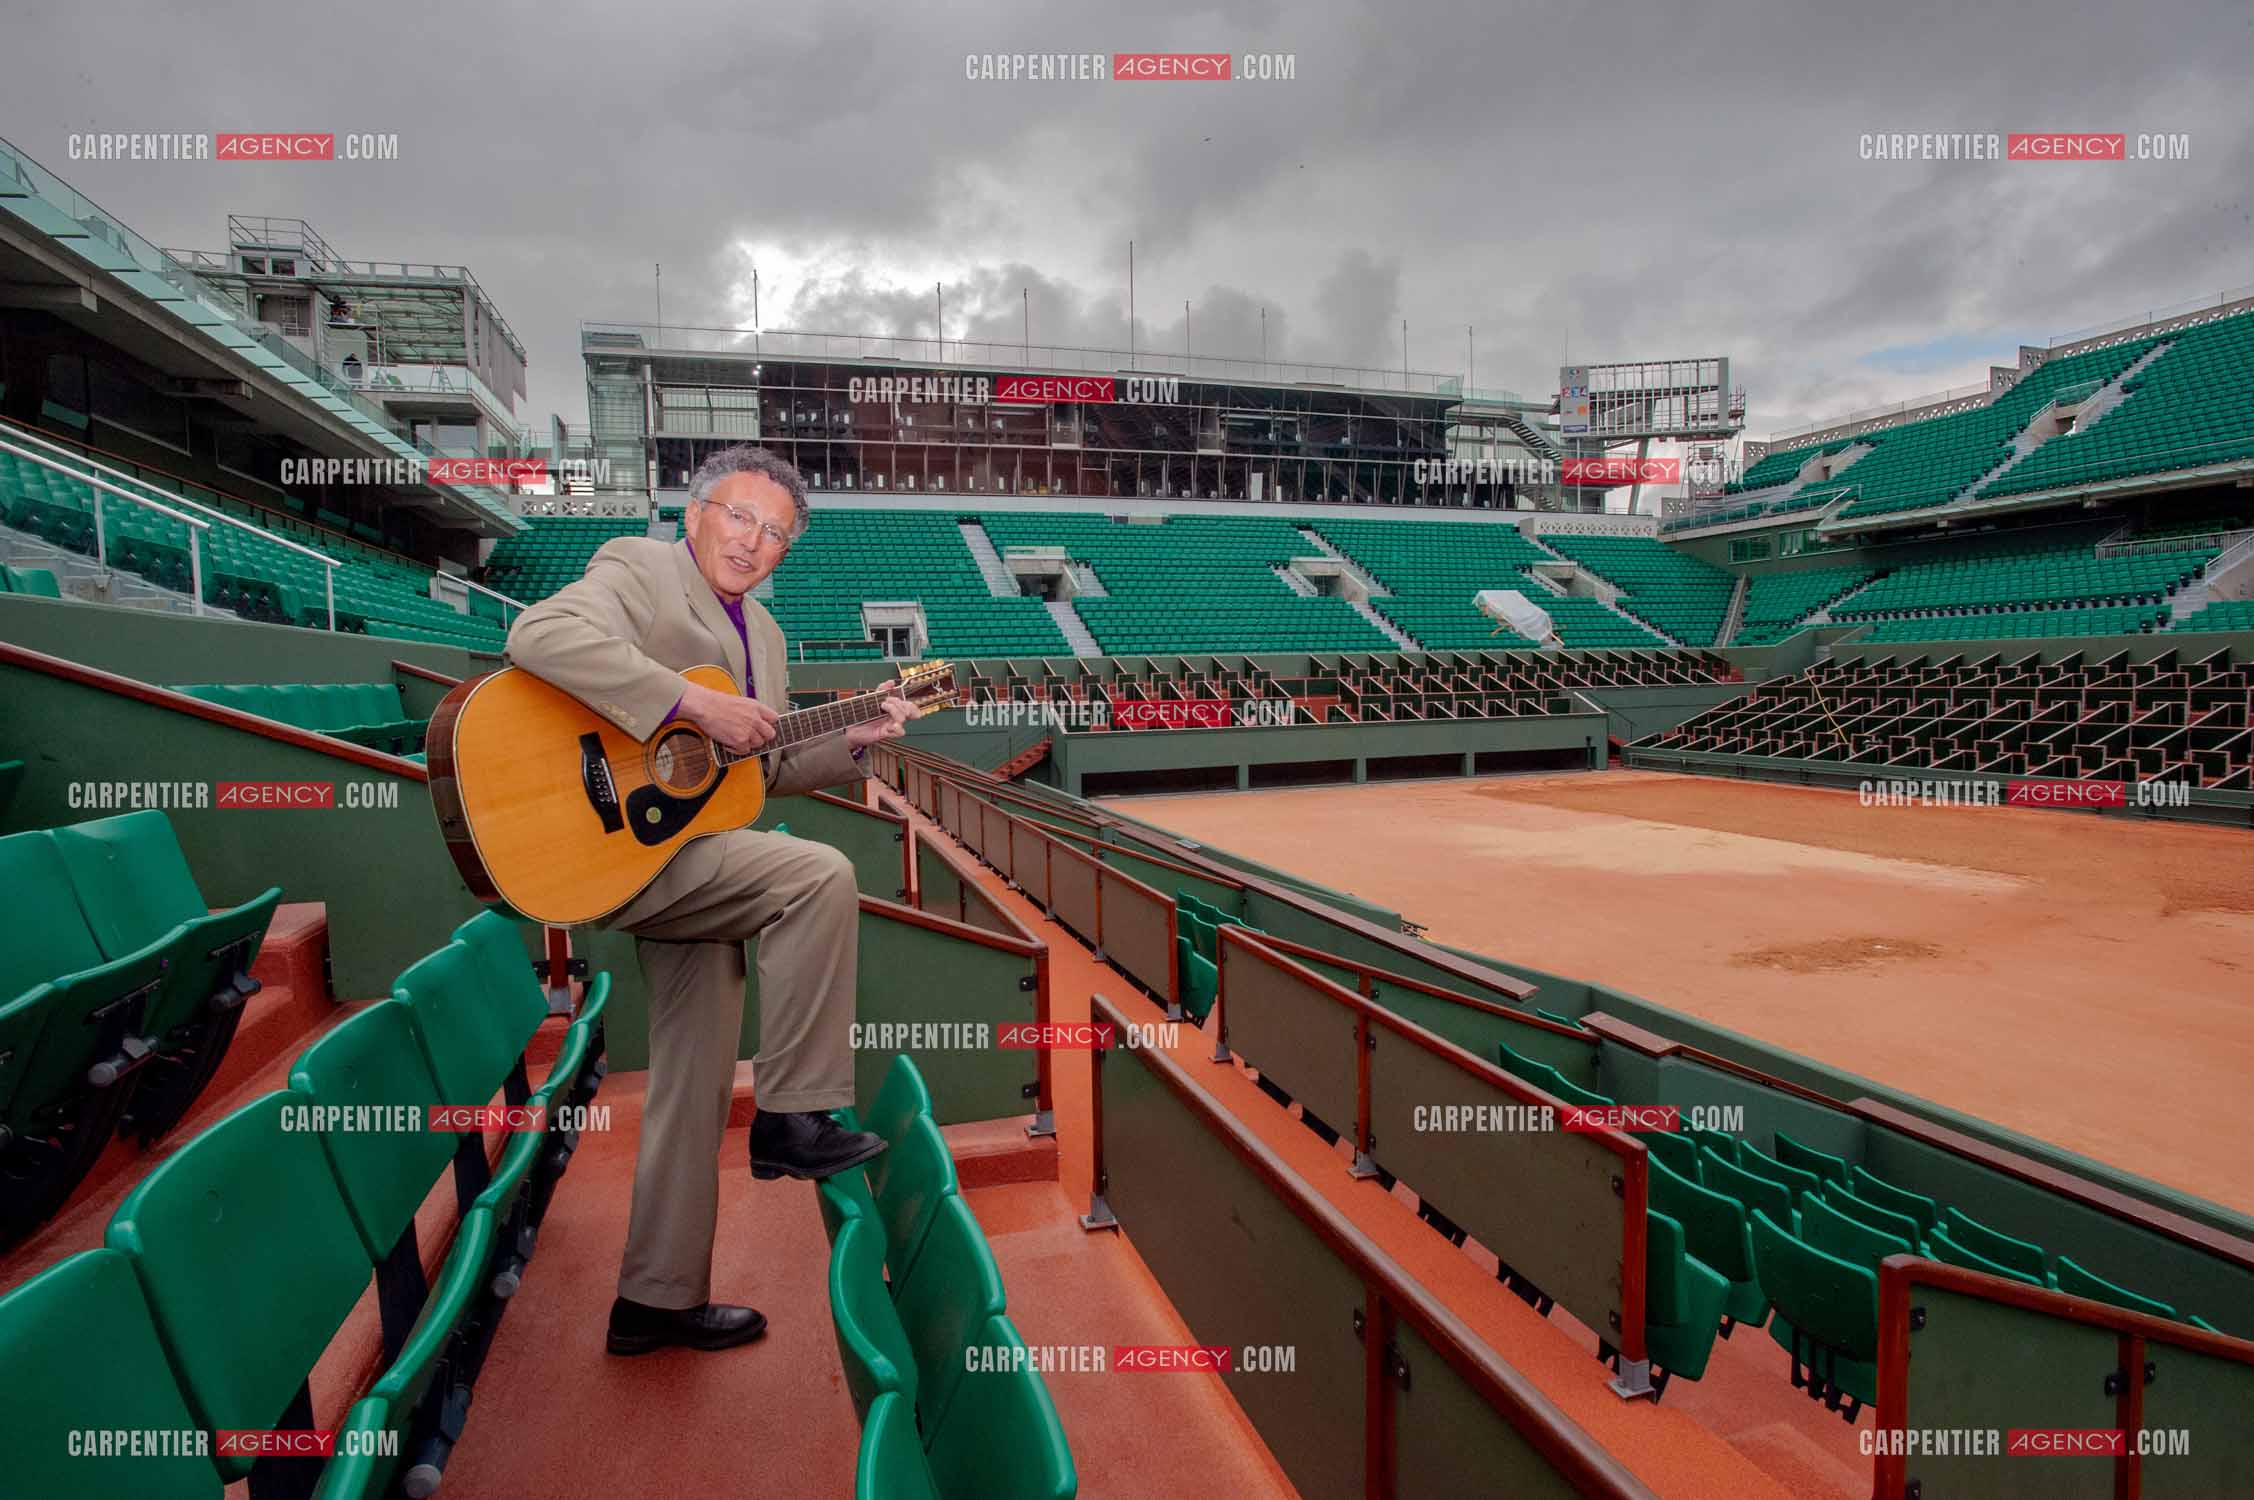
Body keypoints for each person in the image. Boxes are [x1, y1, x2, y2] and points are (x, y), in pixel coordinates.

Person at [504, 443, 912, 1356]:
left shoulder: (764, 636)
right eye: (739, 515)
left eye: (776, 533)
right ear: (695, 516)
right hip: (616, 851)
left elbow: (759, 770)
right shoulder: (638, 567)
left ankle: (654, 1301)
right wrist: (688, 705)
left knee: (687, 1090)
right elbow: (537, 637)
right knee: (818, 875)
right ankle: (791, 1114)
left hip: (691, 857)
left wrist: (856, 737)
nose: (753, 541)